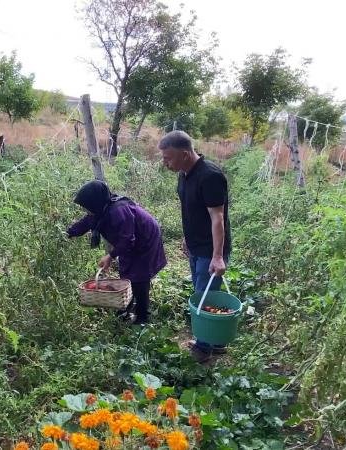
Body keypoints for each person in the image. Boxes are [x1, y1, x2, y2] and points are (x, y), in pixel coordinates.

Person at [158, 130, 232, 361]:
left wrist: (218, 256)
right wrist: (186, 237)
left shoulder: (210, 176)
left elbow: (217, 218)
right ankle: (214, 341)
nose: (165, 163)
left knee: (203, 297)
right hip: (195, 246)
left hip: (210, 250)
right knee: (203, 292)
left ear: (185, 154)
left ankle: (203, 349)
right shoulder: (184, 174)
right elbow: (190, 209)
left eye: (168, 158)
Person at [67, 180, 167, 325]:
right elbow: (85, 223)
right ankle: (125, 308)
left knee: (140, 276)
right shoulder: (100, 210)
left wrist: (110, 256)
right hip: (131, 241)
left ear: (94, 202)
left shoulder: (118, 211)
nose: (86, 210)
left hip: (145, 239)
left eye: (86, 206)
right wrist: (68, 233)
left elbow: (128, 240)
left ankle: (143, 317)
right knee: (126, 274)